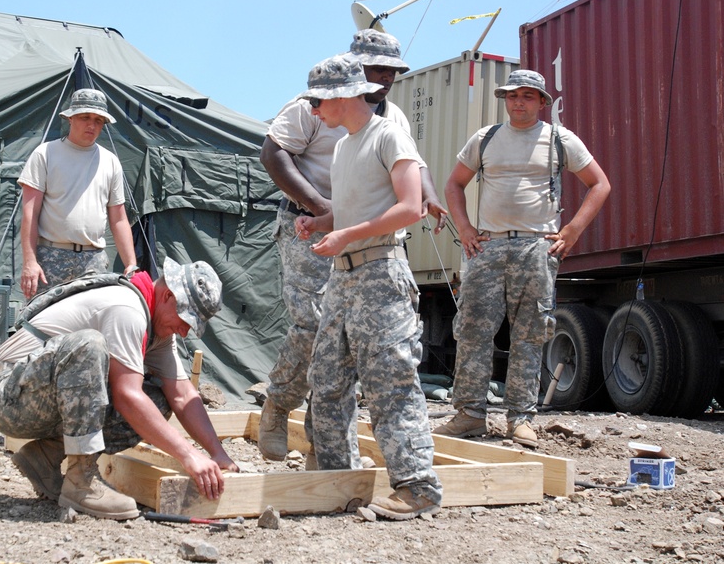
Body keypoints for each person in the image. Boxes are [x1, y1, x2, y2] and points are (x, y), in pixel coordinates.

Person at [257, 29, 447, 462]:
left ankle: (319, 444)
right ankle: (278, 406)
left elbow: (411, 166)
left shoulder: (390, 122)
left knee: (338, 345)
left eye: (391, 71)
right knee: (312, 327)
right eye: (374, 69)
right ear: (353, 69)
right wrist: (323, 210)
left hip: (357, 233)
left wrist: (429, 195)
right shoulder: (315, 109)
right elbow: (273, 154)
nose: (382, 79)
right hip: (310, 222)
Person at [295, 54, 443, 520]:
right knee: (328, 380)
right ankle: (337, 479)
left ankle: (418, 487)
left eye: (318, 101)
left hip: (381, 273)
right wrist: (320, 223)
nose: (314, 110)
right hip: (344, 276)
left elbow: (412, 207)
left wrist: (345, 235)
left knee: (390, 384)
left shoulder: (388, 135)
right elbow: (353, 208)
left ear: (343, 95)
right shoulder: (343, 147)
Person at [0, 256, 238, 520]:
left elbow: (182, 396)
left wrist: (217, 453)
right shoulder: (127, 308)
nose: (184, 332)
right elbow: (127, 397)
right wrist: (189, 455)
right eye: (185, 319)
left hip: (36, 392)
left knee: (158, 402)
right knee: (89, 347)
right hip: (7, 395)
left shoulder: (158, 326)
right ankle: (81, 483)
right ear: (168, 296)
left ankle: (44, 458)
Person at [434, 69, 610, 448]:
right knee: (472, 331)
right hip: (488, 246)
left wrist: (572, 231)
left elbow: (599, 183)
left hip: (536, 247)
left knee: (529, 335)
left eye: (528, 96)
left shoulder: (559, 140)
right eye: (513, 96)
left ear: (542, 102)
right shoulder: (486, 139)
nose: (519, 102)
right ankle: (469, 415)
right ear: (504, 100)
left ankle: (520, 419)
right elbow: (454, 184)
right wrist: (465, 228)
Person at [18, 88, 138, 300]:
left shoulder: (110, 161)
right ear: (71, 118)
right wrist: (30, 261)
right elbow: (30, 213)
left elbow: (119, 219)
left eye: (99, 120)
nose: (92, 125)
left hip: (94, 262)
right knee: (43, 328)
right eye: (85, 117)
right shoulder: (45, 154)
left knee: (90, 330)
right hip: (50, 260)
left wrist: (131, 264)